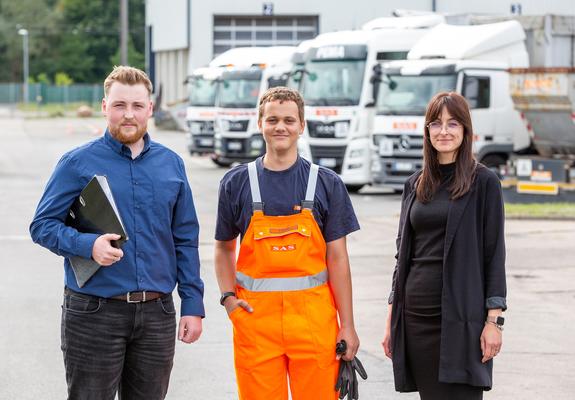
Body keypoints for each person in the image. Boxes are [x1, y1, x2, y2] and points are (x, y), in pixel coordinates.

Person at [30, 66, 205, 400]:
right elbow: (42, 226)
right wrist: (87, 244)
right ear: (104, 106)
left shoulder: (171, 165)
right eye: (120, 105)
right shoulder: (76, 163)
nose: (129, 115)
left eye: (137, 106)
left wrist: (193, 304)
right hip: (94, 313)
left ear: (150, 109)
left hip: (157, 314)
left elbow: (185, 237)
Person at [214, 86, 360, 399]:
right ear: (260, 123)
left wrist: (347, 325)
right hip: (255, 322)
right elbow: (224, 247)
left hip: (314, 323)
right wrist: (228, 299)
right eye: (273, 119)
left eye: (289, 120)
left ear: (302, 125)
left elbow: (338, 259)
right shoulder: (236, 182)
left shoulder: (326, 183)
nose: (281, 127)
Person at [382, 91, 506, 399]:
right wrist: (391, 320)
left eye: (453, 124)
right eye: (435, 124)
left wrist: (495, 322)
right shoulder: (415, 184)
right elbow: (402, 258)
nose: (444, 131)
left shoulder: (484, 183)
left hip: (462, 318)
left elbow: (494, 256)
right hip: (416, 317)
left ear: (465, 130)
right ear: (427, 131)